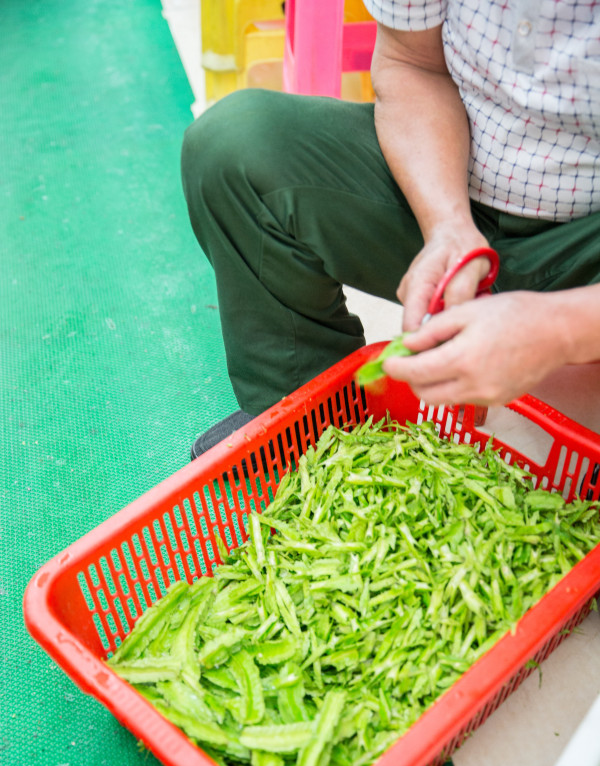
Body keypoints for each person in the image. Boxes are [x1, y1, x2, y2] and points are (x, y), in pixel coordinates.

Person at [181, 1, 600, 460]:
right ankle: (307, 425)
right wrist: (447, 226)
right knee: (237, 148)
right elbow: (410, 62)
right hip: (453, 177)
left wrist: (559, 329)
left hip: (587, 241)